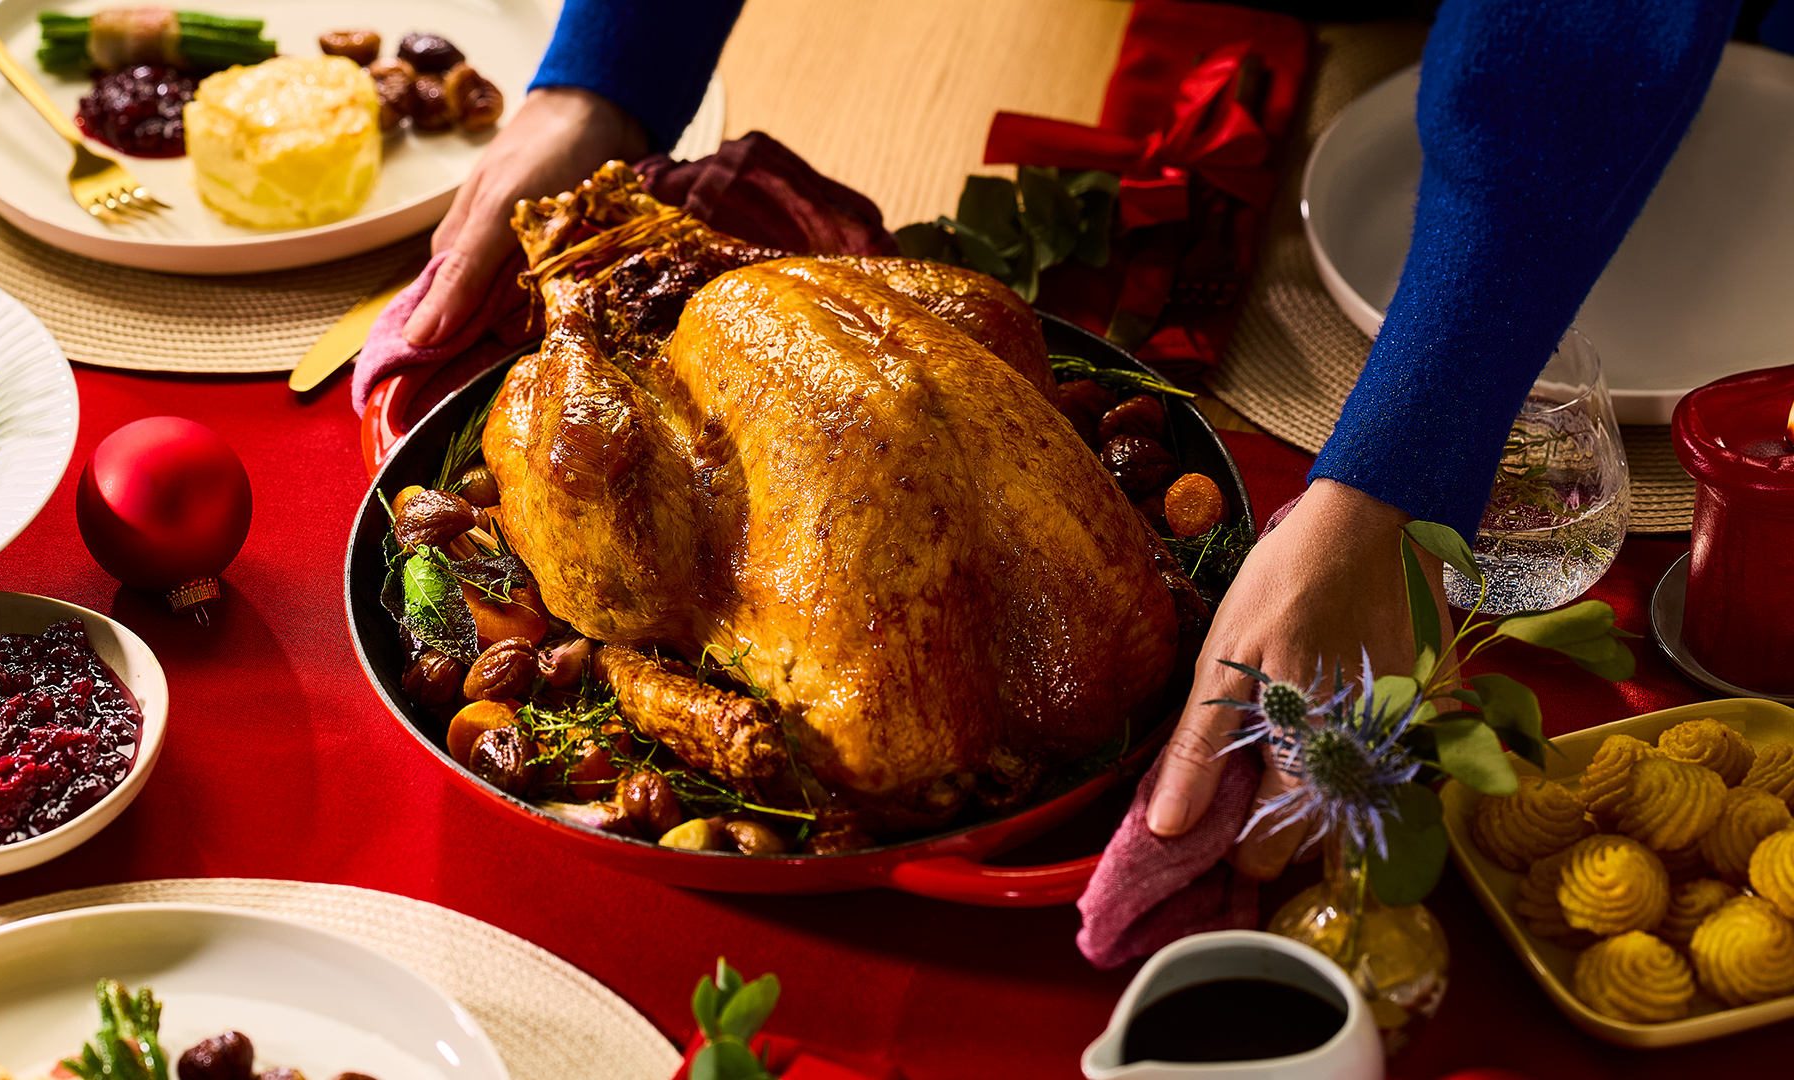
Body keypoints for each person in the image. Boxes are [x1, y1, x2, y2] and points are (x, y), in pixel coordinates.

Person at [405, 0, 1742, 873]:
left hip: (1614, 81)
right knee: (987, 328)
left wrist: (1396, 472)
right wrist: (608, 76)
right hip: (1177, 75)